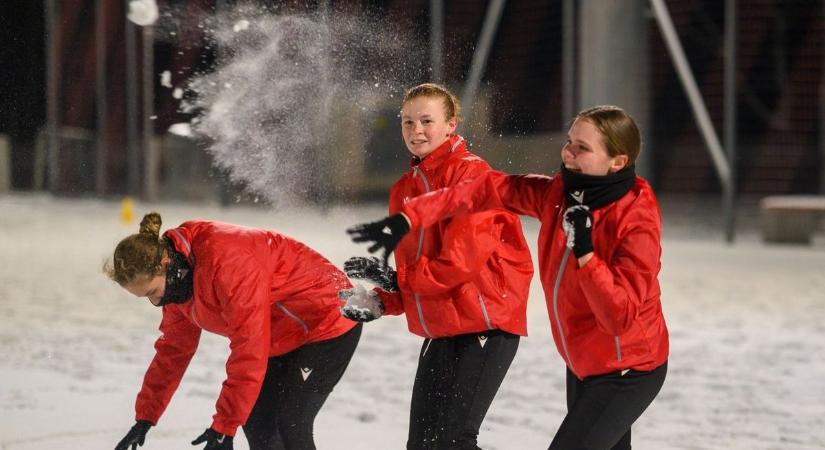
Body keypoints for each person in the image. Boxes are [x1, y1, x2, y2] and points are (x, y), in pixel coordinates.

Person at [348, 105, 669, 450]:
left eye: (583, 148)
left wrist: (586, 254)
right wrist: (410, 218)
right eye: (569, 141)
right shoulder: (558, 196)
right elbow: (483, 189)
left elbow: (619, 317)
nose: (568, 153)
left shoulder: (636, 223)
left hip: (628, 369)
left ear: (617, 162)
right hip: (585, 363)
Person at [340, 83, 534, 450]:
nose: (416, 131)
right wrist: (386, 300)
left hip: (485, 323)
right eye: (407, 122)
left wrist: (399, 282)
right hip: (442, 324)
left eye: (427, 121)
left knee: (453, 442)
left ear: (451, 125)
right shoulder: (404, 190)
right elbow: (419, 272)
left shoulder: (472, 176)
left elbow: (459, 264)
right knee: (423, 444)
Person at [107, 212, 361, 450]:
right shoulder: (177, 284)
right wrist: (146, 416)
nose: (157, 302)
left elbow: (248, 347)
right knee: (258, 421)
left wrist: (224, 427)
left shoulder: (226, 263)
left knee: (291, 423)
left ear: (164, 263)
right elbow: (173, 350)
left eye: (152, 292)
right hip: (280, 332)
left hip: (330, 316)